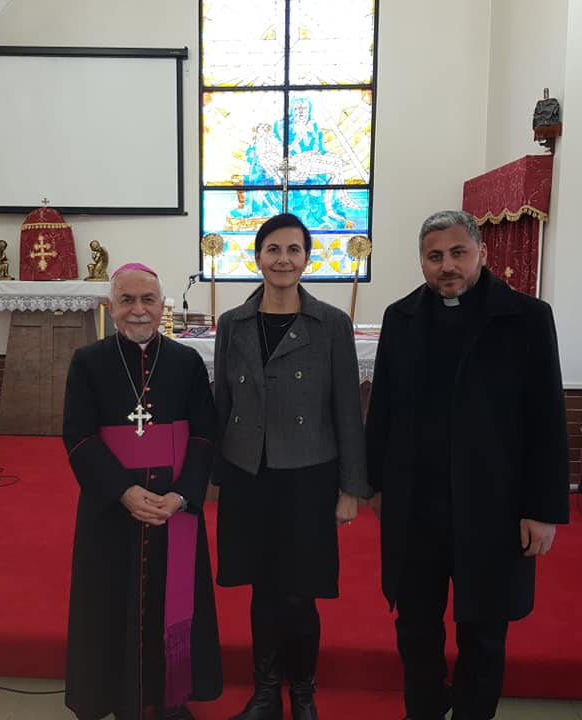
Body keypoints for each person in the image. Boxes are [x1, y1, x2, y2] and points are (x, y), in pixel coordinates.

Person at [365, 210, 570, 720]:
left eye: (458, 253)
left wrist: (543, 509)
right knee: (415, 627)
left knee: (483, 629)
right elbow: (383, 408)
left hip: (494, 505)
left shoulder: (526, 317)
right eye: (434, 256)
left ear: (482, 253)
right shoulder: (401, 317)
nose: (447, 266)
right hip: (417, 504)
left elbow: (547, 418)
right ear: (422, 262)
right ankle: (425, 709)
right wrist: (375, 485)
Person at [213, 213, 369, 720]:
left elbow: (347, 409)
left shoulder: (331, 324)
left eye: (293, 250)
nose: (283, 259)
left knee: (299, 593)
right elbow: (222, 401)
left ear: (307, 259)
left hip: (308, 473)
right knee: (262, 589)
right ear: (257, 257)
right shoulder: (233, 323)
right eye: (273, 249)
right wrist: (217, 473)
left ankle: (302, 692)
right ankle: (265, 693)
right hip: (250, 473)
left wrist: (351, 488)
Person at [62, 263, 222, 720]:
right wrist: (124, 492)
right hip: (112, 507)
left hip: (174, 506)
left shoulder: (187, 362)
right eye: (127, 300)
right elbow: (78, 437)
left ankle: (171, 697)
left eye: (147, 299)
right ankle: (116, 696)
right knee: (111, 603)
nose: (138, 310)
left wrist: (182, 495)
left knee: (173, 602)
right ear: (111, 308)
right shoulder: (88, 361)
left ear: (161, 305)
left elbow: (204, 434)